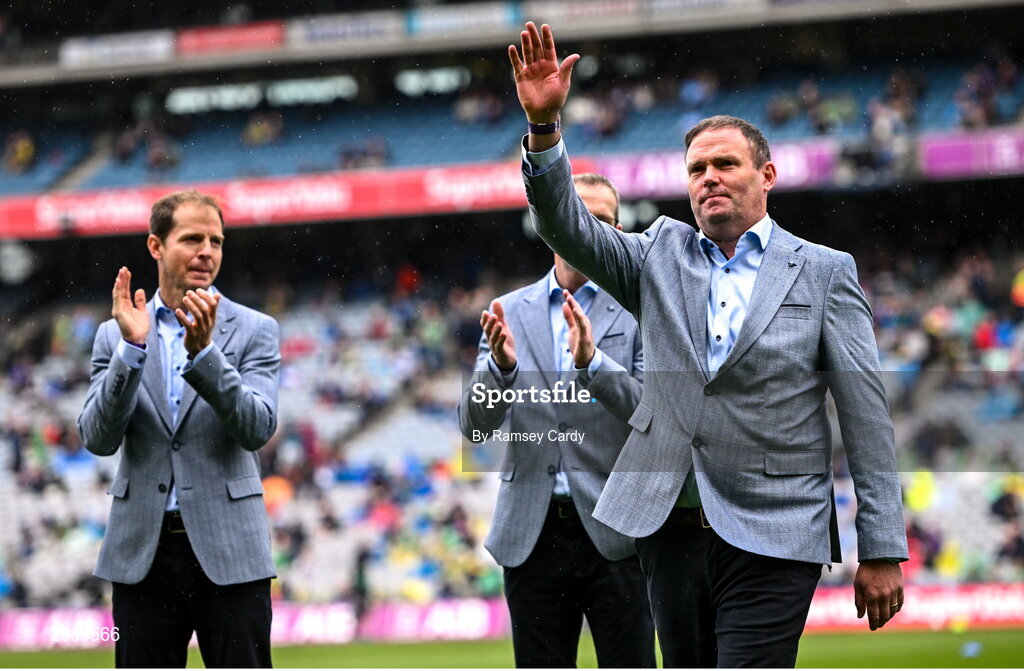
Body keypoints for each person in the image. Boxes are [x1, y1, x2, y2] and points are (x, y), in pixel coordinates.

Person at [507, 22, 908, 668]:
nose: (709, 178)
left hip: (777, 530)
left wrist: (882, 544)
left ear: (767, 174)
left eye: (725, 164)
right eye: (697, 169)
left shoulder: (825, 271)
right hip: (669, 530)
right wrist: (545, 129)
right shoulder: (654, 256)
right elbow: (566, 226)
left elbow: (866, 415)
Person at [458, 173, 655, 668]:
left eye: (602, 220)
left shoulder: (640, 309)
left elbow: (654, 416)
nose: (585, 229)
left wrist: (594, 365)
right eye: (575, 215)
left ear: (617, 232)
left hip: (619, 531)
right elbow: (475, 427)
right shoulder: (507, 311)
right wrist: (500, 370)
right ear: (551, 226)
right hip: (532, 531)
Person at [78, 190, 280, 668]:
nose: (206, 251)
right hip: (142, 551)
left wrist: (206, 355)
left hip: (231, 548)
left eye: (216, 240)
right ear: (156, 247)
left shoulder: (255, 330)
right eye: (192, 239)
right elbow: (97, 438)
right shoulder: (115, 332)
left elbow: (257, 428)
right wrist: (131, 350)